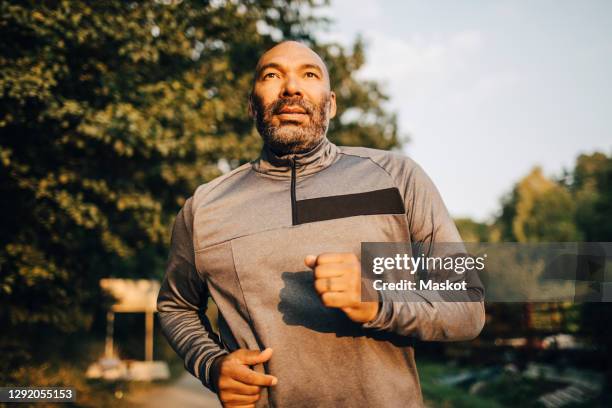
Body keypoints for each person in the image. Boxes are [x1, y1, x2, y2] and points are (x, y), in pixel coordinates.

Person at [157, 41, 485, 408]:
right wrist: (211, 364)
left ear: (330, 104)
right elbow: (176, 307)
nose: (291, 87)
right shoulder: (204, 207)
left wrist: (379, 305)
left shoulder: (398, 177)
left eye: (309, 74)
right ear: (252, 104)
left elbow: (468, 308)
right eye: (272, 75)